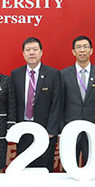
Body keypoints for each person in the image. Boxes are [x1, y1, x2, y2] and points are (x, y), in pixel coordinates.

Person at [10, 37, 63, 171]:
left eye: (35, 49)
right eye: (28, 50)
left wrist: (51, 130)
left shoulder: (53, 74)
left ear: (41, 52)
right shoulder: (16, 74)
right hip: (23, 130)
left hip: (45, 132)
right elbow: (13, 103)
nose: (31, 53)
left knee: (43, 170)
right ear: (23, 53)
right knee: (23, 170)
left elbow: (57, 104)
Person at [60, 35, 95, 166]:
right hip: (70, 128)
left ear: (91, 50)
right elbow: (60, 105)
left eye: (85, 47)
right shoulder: (64, 74)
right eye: (78, 47)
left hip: (94, 129)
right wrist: (61, 131)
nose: (82, 50)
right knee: (69, 167)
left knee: (92, 166)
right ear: (73, 51)